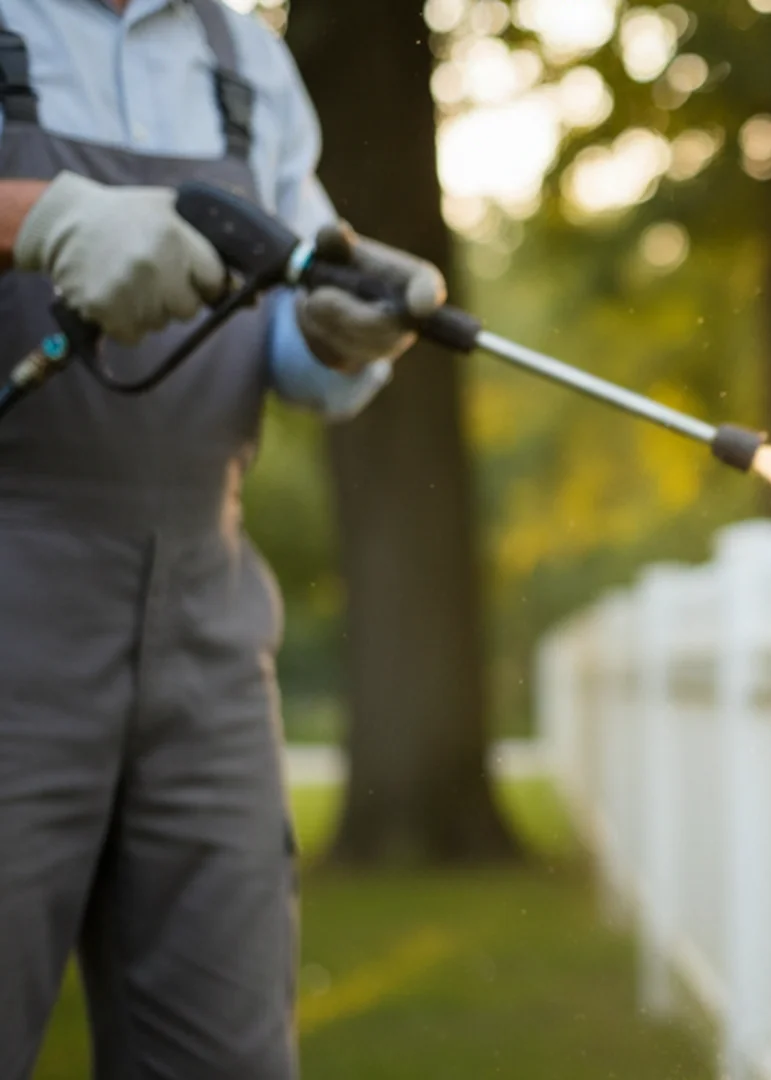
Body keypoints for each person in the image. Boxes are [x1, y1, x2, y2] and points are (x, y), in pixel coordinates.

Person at [0, 1, 445, 1076]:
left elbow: (289, 334)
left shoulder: (245, 57)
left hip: (206, 621)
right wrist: (36, 215)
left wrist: (344, 333)